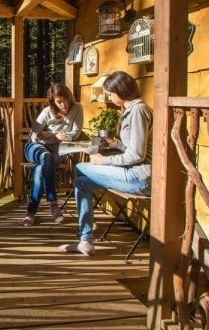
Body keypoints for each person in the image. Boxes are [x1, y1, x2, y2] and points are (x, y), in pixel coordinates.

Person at [59, 71, 152, 255]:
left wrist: (103, 161)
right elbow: (133, 147)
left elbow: (137, 155)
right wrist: (115, 144)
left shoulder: (138, 111)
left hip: (140, 177)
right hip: (133, 172)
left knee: (79, 168)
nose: (109, 97)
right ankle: (85, 239)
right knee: (81, 183)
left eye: (110, 93)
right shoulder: (132, 110)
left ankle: (86, 228)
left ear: (121, 91)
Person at [22, 83, 83, 226]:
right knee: (45, 157)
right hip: (35, 148)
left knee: (40, 169)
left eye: (65, 100)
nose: (63, 104)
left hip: (56, 151)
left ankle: (31, 212)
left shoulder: (77, 109)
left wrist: (50, 135)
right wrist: (53, 136)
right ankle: (54, 206)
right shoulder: (47, 112)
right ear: (53, 101)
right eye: (59, 101)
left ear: (69, 97)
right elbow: (33, 136)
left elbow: (74, 134)